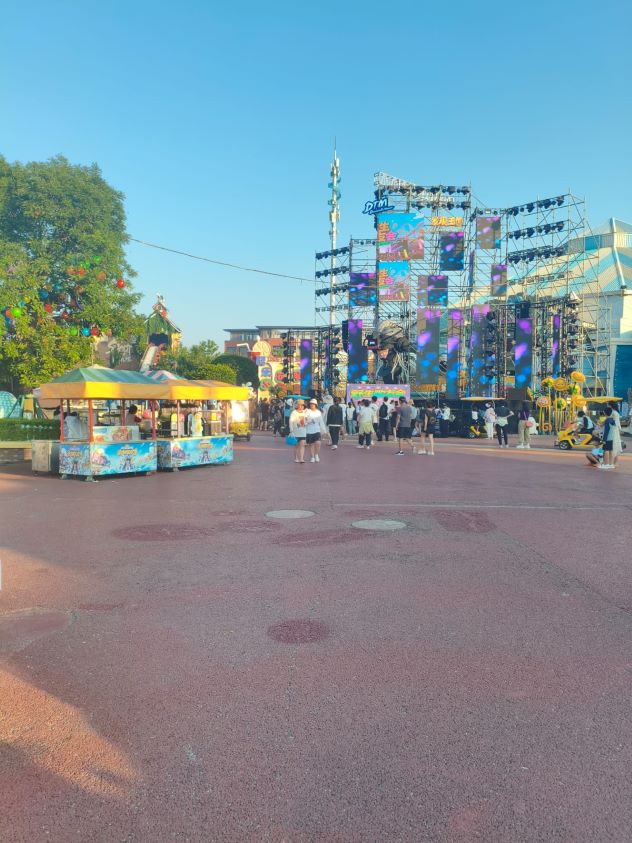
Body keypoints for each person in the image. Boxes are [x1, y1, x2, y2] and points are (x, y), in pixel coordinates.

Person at [305, 398, 326, 462]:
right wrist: (309, 421)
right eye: (311, 404)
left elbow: (321, 421)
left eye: (313, 404)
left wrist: (324, 430)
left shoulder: (318, 412)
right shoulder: (307, 411)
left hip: (317, 430)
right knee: (311, 444)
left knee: (318, 443)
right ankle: (312, 457)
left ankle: (316, 454)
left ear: (316, 405)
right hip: (309, 430)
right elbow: (304, 420)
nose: (312, 405)